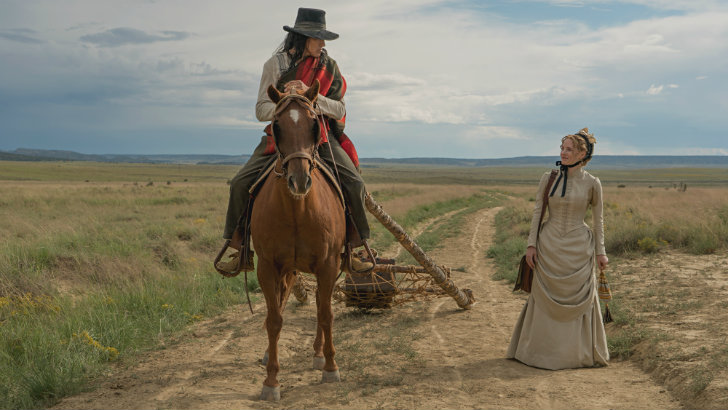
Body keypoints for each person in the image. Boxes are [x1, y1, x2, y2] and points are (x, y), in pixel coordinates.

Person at [216, 8, 373, 274]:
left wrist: (309, 98)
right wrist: (287, 102)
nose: (322, 44)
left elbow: (339, 110)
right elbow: (260, 110)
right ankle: (241, 250)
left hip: (319, 135)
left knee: (355, 183)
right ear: (302, 38)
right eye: (318, 38)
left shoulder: (329, 66)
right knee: (240, 183)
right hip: (281, 137)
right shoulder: (274, 65)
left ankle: (352, 250)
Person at [507, 127, 609, 370]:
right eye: (562, 148)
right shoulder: (548, 178)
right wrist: (531, 244)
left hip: (579, 249)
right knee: (543, 298)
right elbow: (537, 212)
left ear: (583, 154)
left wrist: (601, 252)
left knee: (579, 300)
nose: (563, 153)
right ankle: (538, 353)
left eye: (569, 149)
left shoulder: (593, 183)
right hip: (548, 245)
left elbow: (598, 220)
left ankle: (577, 354)